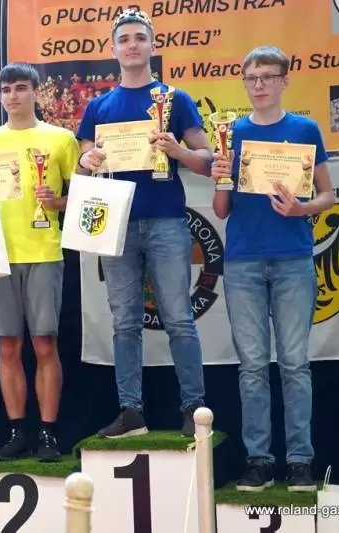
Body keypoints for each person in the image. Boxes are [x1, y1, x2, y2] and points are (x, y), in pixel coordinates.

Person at [76, 8, 212, 439]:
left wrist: (178, 151)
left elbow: (208, 160)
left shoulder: (176, 99)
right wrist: (87, 158)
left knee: (179, 318)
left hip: (167, 220)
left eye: (139, 37)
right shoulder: (98, 106)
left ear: (153, 45)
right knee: (124, 322)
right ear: (113, 49)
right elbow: (81, 167)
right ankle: (130, 410)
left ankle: (195, 410)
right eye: (124, 39)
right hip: (116, 223)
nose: (132, 45)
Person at [210, 46, 334, 492]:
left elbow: (327, 195)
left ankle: (300, 461)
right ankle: (258, 460)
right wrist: (220, 176)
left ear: (285, 80)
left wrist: (302, 208)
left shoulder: (305, 129)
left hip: (293, 259)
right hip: (243, 261)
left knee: (296, 364)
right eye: (251, 77)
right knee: (252, 368)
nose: (259, 84)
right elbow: (221, 210)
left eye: (267, 76)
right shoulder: (232, 133)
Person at [0, 63, 79, 462]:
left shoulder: (61, 139)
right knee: (7, 345)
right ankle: (17, 431)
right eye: (7, 89)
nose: (13, 96)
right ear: (0, 95)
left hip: (44, 251)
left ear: (36, 92)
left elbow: (83, 197)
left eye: (21, 88)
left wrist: (56, 202)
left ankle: (49, 433)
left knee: (45, 343)